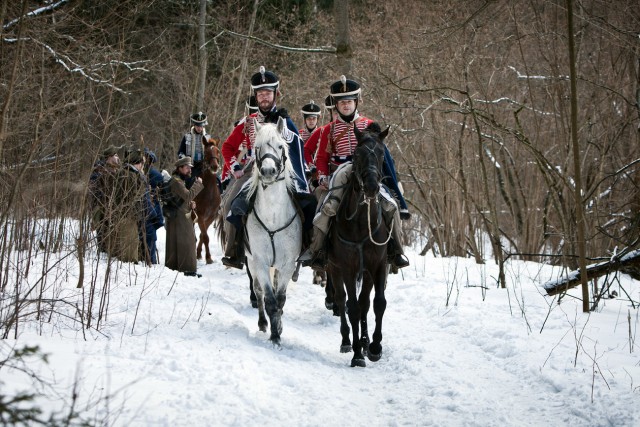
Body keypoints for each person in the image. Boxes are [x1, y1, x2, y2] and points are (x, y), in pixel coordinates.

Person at [299, 76, 410, 271]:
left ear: (356, 102)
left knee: (390, 205)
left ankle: (396, 249)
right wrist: (323, 175)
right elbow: (321, 158)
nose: (346, 106)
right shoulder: (329, 130)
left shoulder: (369, 124)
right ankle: (317, 249)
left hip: (367, 173)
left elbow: (380, 155)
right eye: (342, 102)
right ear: (336, 105)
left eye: (349, 101)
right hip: (339, 173)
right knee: (325, 208)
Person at [220, 66, 314, 269]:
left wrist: (286, 127)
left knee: (308, 203)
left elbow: (295, 144)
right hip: (253, 170)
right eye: (260, 94)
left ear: (275, 94)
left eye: (268, 93)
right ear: (255, 97)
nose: (264, 97)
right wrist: (236, 167)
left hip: (279, 170)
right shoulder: (247, 122)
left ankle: (307, 246)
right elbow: (227, 147)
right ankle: (234, 251)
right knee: (230, 206)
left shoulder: (284, 120)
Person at [164, 157, 204, 276]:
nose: (189, 171)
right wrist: (198, 184)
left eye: (190, 168)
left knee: (181, 241)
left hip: (181, 214)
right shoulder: (176, 181)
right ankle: (188, 269)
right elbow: (188, 195)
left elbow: (183, 198)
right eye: (187, 168)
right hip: (180, 216)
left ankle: (175, 267)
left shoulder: (179, 180)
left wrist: (190, 204)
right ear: (179, 168)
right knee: (187, 241)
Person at [111, 148, 149, 263]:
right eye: (141, 163)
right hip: (128, 213)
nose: (142, 166)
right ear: (137, 163)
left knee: (131, 240)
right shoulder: (130, 175)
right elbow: (134, 195)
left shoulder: (126, 173)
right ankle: (129, 263)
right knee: (130, 241)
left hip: (126, 213)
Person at [89, 145, 121, 253]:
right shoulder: (99, 170)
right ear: (109, 157)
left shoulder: (114, 169)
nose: (117, 158)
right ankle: (103, 251)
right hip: (101, 205)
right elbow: (96, 190)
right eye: (115, 155)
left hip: (111, 205)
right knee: (103, 230)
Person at [142, 148, 164, 264]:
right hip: (148, 210)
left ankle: (151, 260)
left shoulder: (153, 175)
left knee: (150, 237)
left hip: (151, 210)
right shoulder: (143, 174)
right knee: (149, 237)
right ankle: (149, 260)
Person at [178, 112, 212, 187]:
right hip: (191, 166)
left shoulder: (208, 137)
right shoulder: (187, 136)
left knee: (216, 180)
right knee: (188, 182)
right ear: (194, 125)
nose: (199, 128)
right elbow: (180, 152)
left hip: (203, 165)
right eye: (197, 126)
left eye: (201, 126)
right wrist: (185, 162)